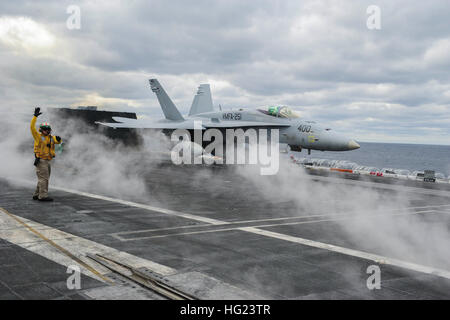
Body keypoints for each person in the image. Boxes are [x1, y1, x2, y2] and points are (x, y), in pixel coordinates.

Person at [31, 107, 62, 201]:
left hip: (48, 160)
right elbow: (32, 127)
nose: (48, 131)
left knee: (43, 178)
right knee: (44, 179)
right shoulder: (38, 137)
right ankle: (43, 196)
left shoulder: (51, 138)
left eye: (48, 129)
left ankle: (37, 194)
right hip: (41, 160)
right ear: (41, 130)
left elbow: (58, 142)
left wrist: (59, 139)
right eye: (46, 129)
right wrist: (35, 117)